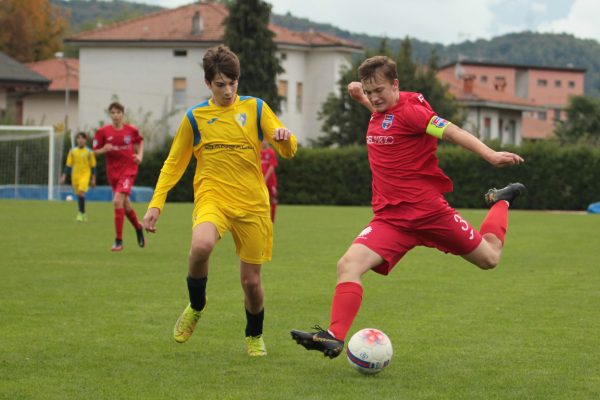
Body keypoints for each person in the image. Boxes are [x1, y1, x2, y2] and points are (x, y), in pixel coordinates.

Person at [291, 55, 525, 359]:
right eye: (369, 91)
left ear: (396, 85)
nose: (375, 98)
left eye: (380, 91)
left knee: (490, 258)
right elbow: (388, 119)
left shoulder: (414, 112)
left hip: (429, 213)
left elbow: (453, 131)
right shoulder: (379, 109)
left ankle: (500, 201)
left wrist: (491, 155)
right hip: (391, 220)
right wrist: (361, 96)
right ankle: (334, 337)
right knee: (347, 265)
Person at [142, 45, 297, 357]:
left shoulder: (254, 108)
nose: (228, 91)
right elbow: (173, 164)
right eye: (220, 84)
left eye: (233, 83)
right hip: (214, 199)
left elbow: (289, 150)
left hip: (253, 205)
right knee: (201, 246)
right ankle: (197, 305)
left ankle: (254, 334)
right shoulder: (195, 118)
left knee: (251, 283)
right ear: (207, 84)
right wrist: (156, 204)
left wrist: (285, 138)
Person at [93, 101, 145, 252]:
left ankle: (118, 241)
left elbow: (140, 142)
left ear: (123, 114)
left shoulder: (131, 130)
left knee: (117, 201)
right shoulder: (103, 132)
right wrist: (104, 149)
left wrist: (140, 156)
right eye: (113, 113)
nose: (116, 115)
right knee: (126, 205)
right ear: (109, 115)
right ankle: (138, 228)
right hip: (113, 172)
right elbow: (94, 151)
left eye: (118, 112)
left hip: (129, 170)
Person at [60, 132, 97, 222]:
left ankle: (80, 214)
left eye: (82, 138)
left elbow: (93, 166)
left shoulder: (89, 152)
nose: (80, 140)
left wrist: (93, 178)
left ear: (85, 140)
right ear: (76, 140)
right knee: (79, 194)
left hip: (85, 175)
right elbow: (68, 165)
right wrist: (64, 175)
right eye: (78, 138)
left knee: (81, 192)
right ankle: (83, 213)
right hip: (75, 176)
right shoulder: (72, 151)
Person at [260, 140, 279, 222]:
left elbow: (272, 167)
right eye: (262, 140)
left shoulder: (271, 152)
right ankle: (263, 219)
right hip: (260, 181)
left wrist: (265, 179)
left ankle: (272, 219)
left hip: (271, 181)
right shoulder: (257, 151)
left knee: (273, 199)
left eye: (265, 140)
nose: (263, 142)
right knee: (261, 200)